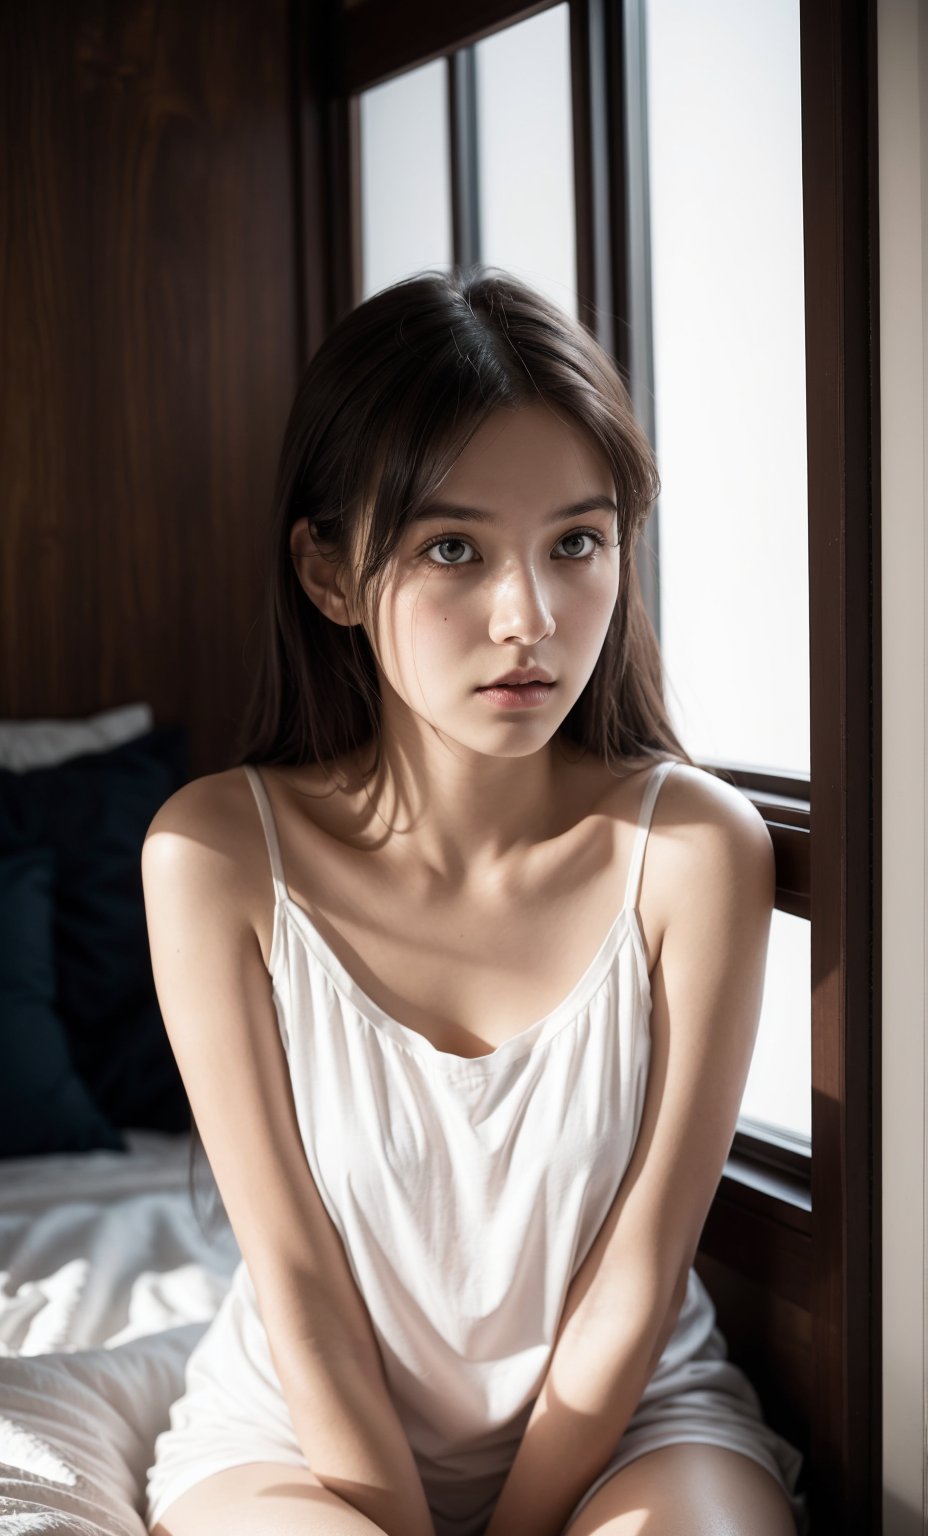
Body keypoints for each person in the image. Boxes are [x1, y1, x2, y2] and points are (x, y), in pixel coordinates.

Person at [140, 266, 808, 1536]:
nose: (531, 619)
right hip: (300, 1437)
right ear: (329, 575)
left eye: (576, 543)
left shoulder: (692, 850)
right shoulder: (217, 854)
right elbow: (296, 1275)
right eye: (455, 547)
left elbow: (635, 1276)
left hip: (633, 1426)